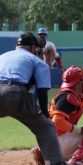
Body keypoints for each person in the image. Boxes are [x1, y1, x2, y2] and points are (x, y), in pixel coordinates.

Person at [0, 32, 66, 165]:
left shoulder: (3, 56)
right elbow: (42, 92)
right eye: (36, 48)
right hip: (15, 93)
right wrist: (45, 115)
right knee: (45, 127)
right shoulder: (37, 61)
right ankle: (55, 162)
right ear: (32, 47)